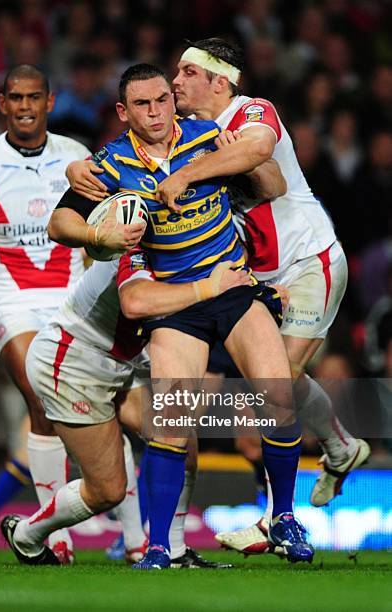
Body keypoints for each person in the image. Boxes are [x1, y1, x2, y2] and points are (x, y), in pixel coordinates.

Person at [67, 38, 369, 556]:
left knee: (273, 393)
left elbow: (259, 160)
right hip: (236, 278)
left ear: (220, 81)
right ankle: (335, 451)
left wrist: (184, 174)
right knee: (205, 408)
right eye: (170, 78)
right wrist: (78, 180)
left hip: (303, 265)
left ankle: (282, 514)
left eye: (186, 74)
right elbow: (78, 201)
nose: (175, 83)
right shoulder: (153, 145)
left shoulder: (248, 114)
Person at [0, 64, 97, 563]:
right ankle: (59, 535)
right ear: (2, 103)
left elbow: (98, 232)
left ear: (49, 102)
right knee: (41, 387)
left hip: (75, 298)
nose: (25, 106)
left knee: (101, 409)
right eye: (15, 98)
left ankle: (137, 540)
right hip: (13, 300)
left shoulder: (79, 157)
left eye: (34, 97)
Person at [1, 247, 251, 567]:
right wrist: (207, 289)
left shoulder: (193, 245)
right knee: (107, 491)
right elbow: (135, 302)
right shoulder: (137, 238)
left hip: (123, 361)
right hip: (74, 363)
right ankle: (25, 534)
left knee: (178, 434)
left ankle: (173, 551)